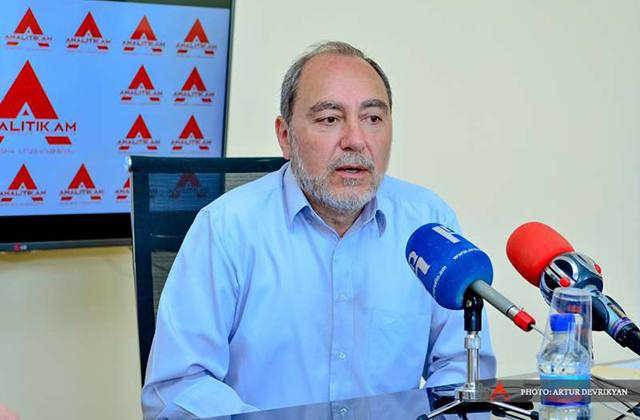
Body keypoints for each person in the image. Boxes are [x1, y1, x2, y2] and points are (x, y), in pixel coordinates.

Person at [141, 41, 496, 419]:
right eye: (329, 119)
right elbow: (180, 386)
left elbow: (462, 368)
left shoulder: (427, 223)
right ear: (285, 136)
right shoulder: (227, 228)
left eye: (373, 118)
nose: (356, 140)